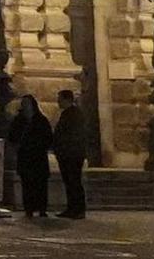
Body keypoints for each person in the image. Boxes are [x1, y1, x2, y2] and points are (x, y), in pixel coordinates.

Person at [7, 85, 57, 219]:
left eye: (27, 104)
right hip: (25, 158)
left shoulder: (41, 120)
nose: (25, 107)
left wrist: (39, 146)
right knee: (27, 185)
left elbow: (48, 138)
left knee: (40, 185)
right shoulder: (18, 121)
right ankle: (29, 209)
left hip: (38, 157)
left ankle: (42, 209)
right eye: (24, 104)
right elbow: (12, 136)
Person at [53, 89, 93, 221]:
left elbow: (72, 135)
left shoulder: (74, 114)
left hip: (72, 154)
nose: (58, 101)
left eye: (60, 99)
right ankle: (72, 208)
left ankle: (78, 209)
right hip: (67, 154)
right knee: (70, 182)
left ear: (66, 99)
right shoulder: (69, 113)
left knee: (74, 181)